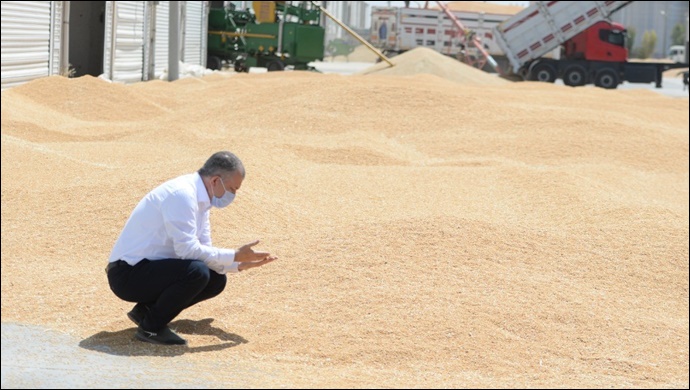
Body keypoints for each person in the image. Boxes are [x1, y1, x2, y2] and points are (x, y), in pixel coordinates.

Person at [106, 151, 276, 346]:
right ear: (215, 181)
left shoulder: (202, 201)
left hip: (149, 270)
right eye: (232, 188)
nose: (233, 195)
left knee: (216, 279)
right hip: (127, 274)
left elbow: (204, 250)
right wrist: (234, 255)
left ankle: (146, 312)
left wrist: (237, 265)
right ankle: (151, 328)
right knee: (197, 272)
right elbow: (187, 251)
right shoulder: (182, 195)